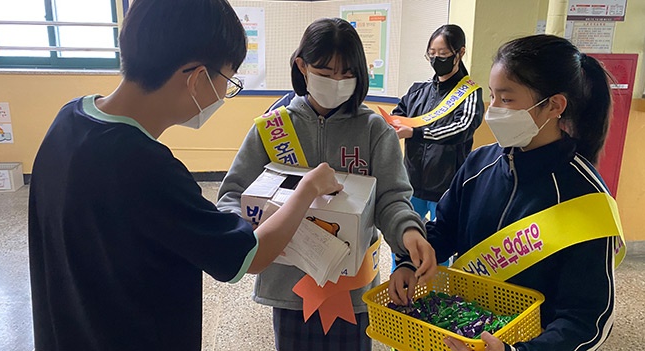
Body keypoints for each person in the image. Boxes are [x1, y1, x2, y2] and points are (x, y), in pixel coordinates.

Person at [27, 1, 343, 350]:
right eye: (227, 79)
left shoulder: (69, 118)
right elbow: (248, 256)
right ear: (196, 78)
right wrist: (308, 186)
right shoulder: (147, 168)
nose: (225, 93)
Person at [390, 34, 619, 351]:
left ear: (554, 105)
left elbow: (586, 319)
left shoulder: (584, 195)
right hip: (462, 334)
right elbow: (443, 230)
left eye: (506, 100)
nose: (492, 110)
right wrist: (408, 262)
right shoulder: (479, 164)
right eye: (493, 96)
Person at [217, 17, 435, 351]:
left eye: (347, 74)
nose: (337, 81)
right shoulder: (272, 128)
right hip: (290, 287)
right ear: (301, 66)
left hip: (352, 288)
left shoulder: (374, 130)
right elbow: (232, 196)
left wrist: (409, 235)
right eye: (326, 72)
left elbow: (392, 199)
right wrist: (245, 234)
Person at [391, 24, 483, 223]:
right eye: (431, 54)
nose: (436, 59)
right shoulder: (418, 90)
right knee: (403, 237)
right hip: (412, 181)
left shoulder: (470, 94)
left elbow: (462, 128)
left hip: (446, 186)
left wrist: (416, 133)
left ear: (460, 53)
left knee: (440, 245)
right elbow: (398, 115)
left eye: (443, 53)